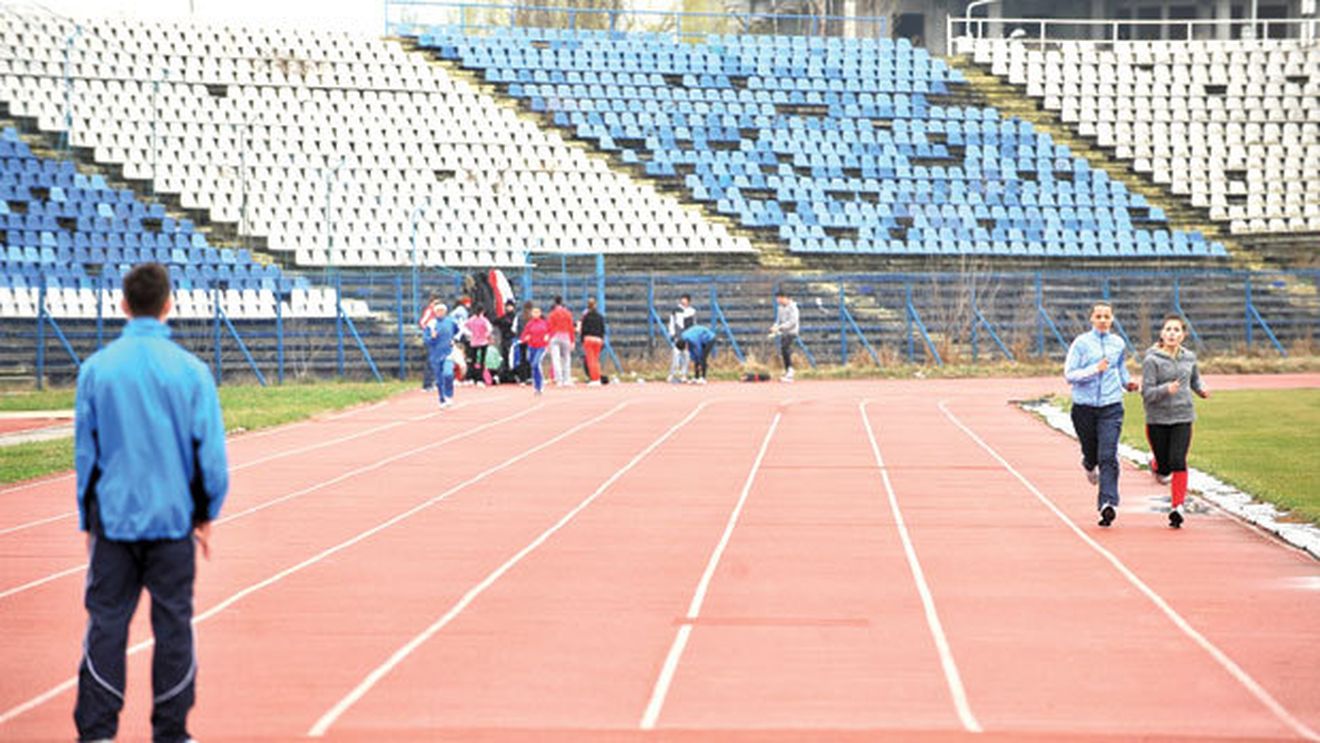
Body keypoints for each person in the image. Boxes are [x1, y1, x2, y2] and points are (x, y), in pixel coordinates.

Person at [73, 262, 229, 743]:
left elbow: (87, 453)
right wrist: (206, 514)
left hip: (115, 522)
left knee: (106, 623)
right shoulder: (192, 372)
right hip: (171, 521)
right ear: (169, 304)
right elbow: (211, 455)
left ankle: (97, 731)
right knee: (174, 624)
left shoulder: (96, 370)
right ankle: (171, 730)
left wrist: (88, 518)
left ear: (123, 306)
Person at [1064, 301, 1140, 527]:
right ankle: (1088, 464)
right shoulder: (1081, 344)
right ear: (1091, 319)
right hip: (1084, 407)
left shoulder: (1118, 343)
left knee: (1108, 455)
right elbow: (1070, 374)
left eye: (1107, 316)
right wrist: (1093, 370)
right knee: (1093, 453)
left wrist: (1128, 384)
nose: (1103, 320)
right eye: (1099, 316)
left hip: (1111, 405)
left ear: (1112, 319)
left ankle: (1108, 504)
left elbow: (1120, 369)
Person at [1141, 314, 1210, 529]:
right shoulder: (1151, 360)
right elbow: (1147, 393)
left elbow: (1194, 379)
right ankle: (1155, 464)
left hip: (1183, 416)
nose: (1172, 333)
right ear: (1162, 334)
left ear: (1183, 335)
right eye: (1168, 329)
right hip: (1157, 419)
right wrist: (1165, 389)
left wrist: (1200, 389)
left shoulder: (1189, 357)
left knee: (1178, 461)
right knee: (1164, 468)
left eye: (1176, 330)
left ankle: (1177, 507)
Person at [424, 302, 460, 408]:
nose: (440, 313)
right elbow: (426, 340)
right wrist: (432, 338)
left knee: (448, 374)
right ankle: (442, 399)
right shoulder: (431, 324)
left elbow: (458, 331)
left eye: (442, 311)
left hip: (448, 352)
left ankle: (449, 395)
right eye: (438, 311)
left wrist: (454, 340)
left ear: (445, 311)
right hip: (435, 354)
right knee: (439, 379)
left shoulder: (451, 322)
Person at [768, 289, 799, 382]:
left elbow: (793, 322)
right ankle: (788, 371)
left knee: (785, 348)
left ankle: (790, 371)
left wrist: (780, 328)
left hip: (792, 332)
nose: (778, 300)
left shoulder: (793, 307)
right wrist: (774, 327)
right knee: (783, 350)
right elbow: (778, 320)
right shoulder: (780, 308)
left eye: (779, 298)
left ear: (784, 297)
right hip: (783, 332)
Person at [519, 304, 551, 395]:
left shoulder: (544, 323)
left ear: (540, 313)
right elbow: (524, 335)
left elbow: (550, 332)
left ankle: (540, 385)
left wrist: (547, 338)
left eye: (537, 312)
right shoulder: (529, 324)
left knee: (536, 363)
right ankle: (536, 387)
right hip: (532, 346)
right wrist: (526, 338)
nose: (535, 314)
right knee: (533, 366)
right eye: (534, 312)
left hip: (541, 347)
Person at [546, 295, 575, 387]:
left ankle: (559, 380)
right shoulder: (568, 313)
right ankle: (567, 379)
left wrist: (548, 342)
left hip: (555, 336)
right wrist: (572, 340)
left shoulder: (552, 314)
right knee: (566, 358)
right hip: (565, 335)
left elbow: (549, 328)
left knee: (556, 359)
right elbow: (571, 328)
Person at [667, 294, 696, 384]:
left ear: (688, 301)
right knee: (676, 354)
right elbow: (671, 322)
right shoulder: (676, 310)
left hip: (687, 336)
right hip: (679, 336)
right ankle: (672, 374)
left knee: (686, 355)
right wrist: (672, 333)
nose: (683, 301)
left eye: (685, 300)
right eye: (682, 299)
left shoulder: (692, 311)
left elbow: (694, 324)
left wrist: (692, 336)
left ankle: (684, 375)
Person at [417, 290, 442, 389]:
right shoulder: (429, 311)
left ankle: (434, 381)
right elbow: (422, 322)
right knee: (430, 361)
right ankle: (427, 383)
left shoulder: (438, 313)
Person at [578, 298, 606, 386]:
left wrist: (582, 339)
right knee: (596, 360)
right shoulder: (600, 316)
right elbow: (603, 329)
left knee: (591, 360)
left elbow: (583, 329)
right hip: (598, 339)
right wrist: (602, 339)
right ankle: (597, 378)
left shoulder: (586, 317)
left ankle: (594, 379)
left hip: (589, 338)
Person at [464, 304, 493, 387]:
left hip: (473, 342)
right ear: (482, 311)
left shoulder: (471, 320)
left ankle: (472, 378)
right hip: (483, 342)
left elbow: (463, 327)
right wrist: (486, 335)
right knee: (481, 361)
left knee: (473, 360)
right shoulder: (484, 320)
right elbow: (489, 329)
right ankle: (480, 379)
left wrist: (470, 334)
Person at [493, 298, 519, 383]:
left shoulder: (515, 317)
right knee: (505, 357)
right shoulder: (504, 317)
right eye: (507, 306)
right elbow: (495, 322)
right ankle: (505, 375)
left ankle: (511, 375)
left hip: (512, 340)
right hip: (504, 339)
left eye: (510, 306)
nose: (508, 308)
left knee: (511, 358)